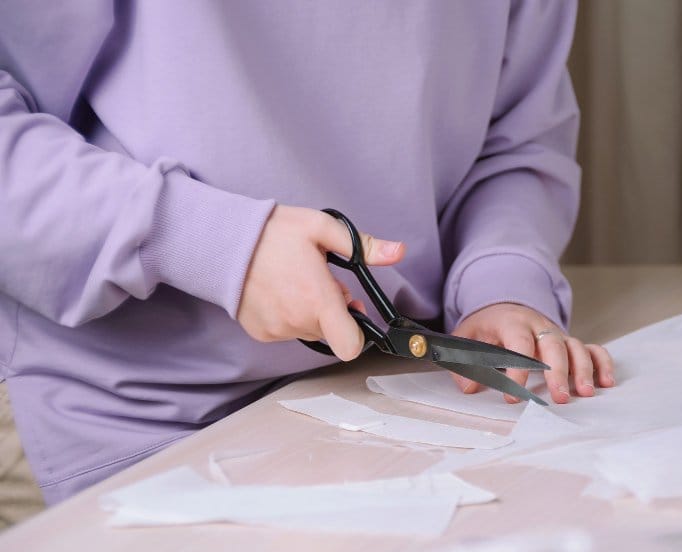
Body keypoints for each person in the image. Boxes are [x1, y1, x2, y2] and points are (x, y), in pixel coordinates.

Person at [0, 1, 614, 512]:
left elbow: (516, 136)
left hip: (401, 399)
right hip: (117, 427)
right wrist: (201, 240)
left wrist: (502, 282)